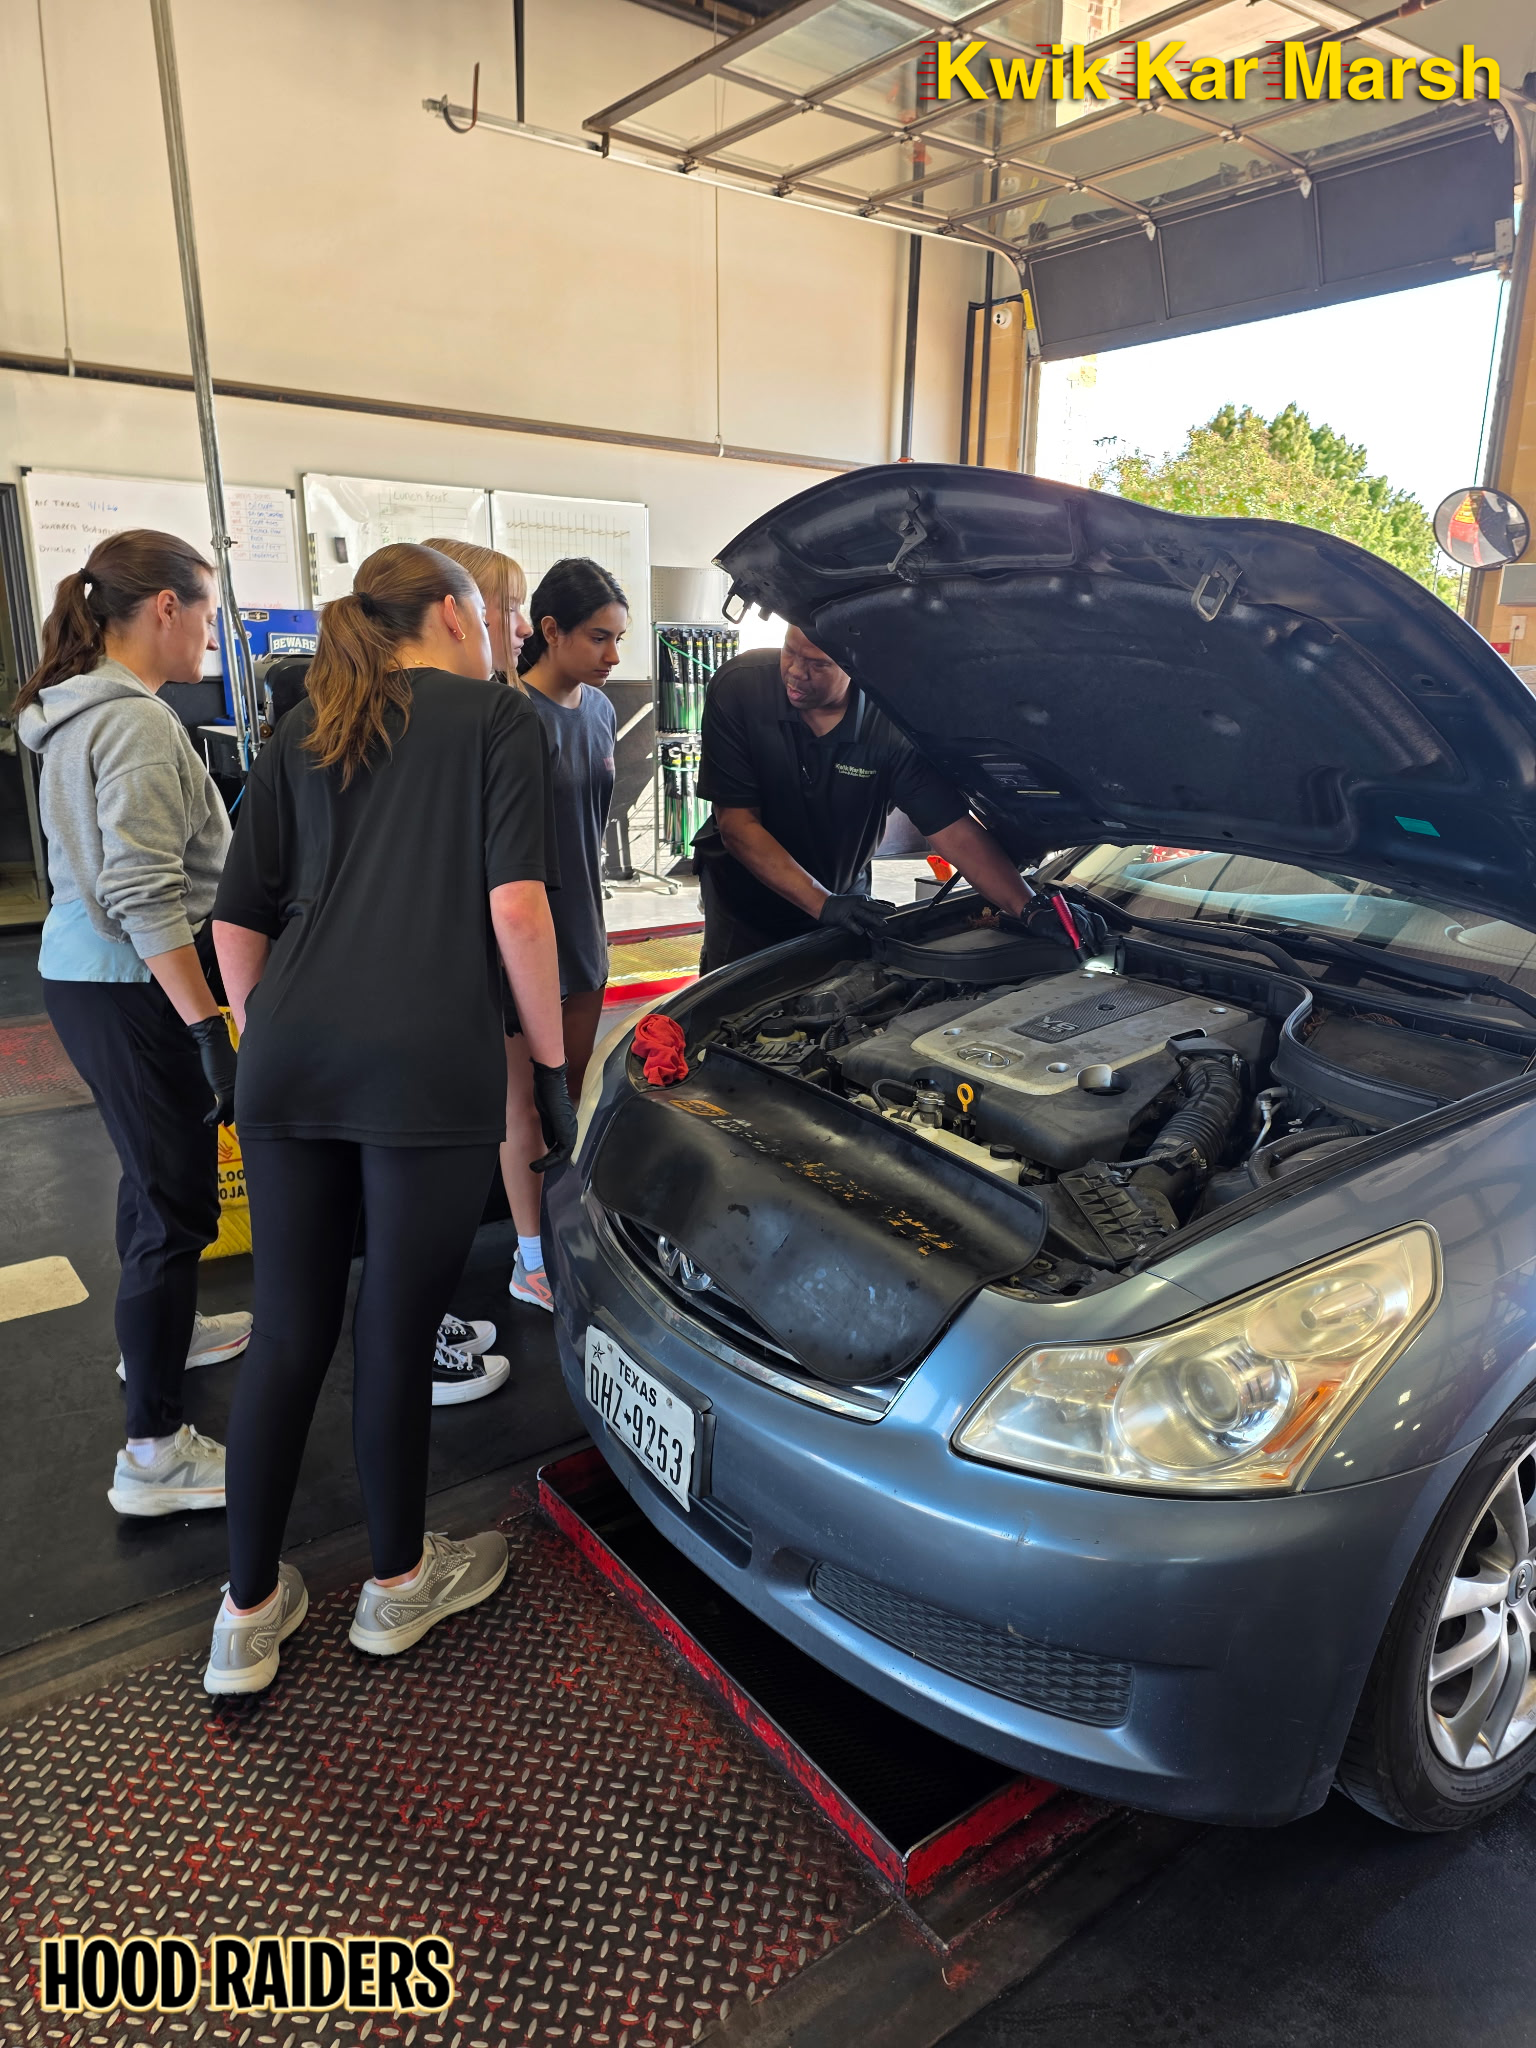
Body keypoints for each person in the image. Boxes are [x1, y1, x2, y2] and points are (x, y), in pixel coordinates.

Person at [204, 542, 576, 1696]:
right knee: (394, 1330)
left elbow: (234, 920)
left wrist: (276, 1035)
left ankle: (245, 1615)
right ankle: (398, 1583)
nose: (504, 635)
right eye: (495, 617)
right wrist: (551, 1065)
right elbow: (518, 909)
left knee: (287, 1329)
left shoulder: (306, 726)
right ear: (455, 617)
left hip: (287, 1056)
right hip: (424, 1062)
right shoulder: (499, 718)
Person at [16, 530, 249, 1521]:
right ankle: (153, 1453)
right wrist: (206, 1026)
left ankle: (163, 1335)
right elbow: (145, 891)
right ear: (164, 607)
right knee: (173, 1204)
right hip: (132, 982)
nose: (209, 636)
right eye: (207, 614)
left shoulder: (76, 710)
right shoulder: (139, 723)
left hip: (87, 974)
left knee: (149, 1175)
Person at [693, 627, 1033, 969]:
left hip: (842, 895)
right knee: (737, 996)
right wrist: (823, 903)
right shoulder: (742, 687)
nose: (795, 671)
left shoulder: (891, 725)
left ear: (855, 667)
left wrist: (1029, 908)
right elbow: (737, 824)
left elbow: (953, 831)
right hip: (745, 903)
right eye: (789, 651)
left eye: (817, 664)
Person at [499, 557, 623, 1314]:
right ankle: (528, 1258)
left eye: (618, 639)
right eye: (599, 638)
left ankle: (560, 1227)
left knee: (569, 1095)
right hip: (524, 936)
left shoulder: (601, 711)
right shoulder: (507, 713)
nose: (614, 655)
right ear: (550, 630)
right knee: (523, 1103)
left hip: (584, 927)